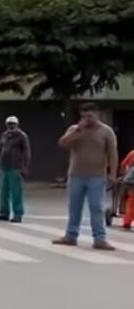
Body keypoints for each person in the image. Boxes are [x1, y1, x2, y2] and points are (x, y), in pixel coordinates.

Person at [53, 102, 119, 250]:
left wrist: (113, 173)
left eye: (90, 116)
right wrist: (77, 131)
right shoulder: (75, 129)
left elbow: (112, 153)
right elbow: (62, 143)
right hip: (76, 175)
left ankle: (99, 238)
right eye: (84, 116)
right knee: (74, 208)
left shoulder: (106, 131)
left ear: (97, 115)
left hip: (97, 176)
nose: (87, 119)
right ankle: (71, 236)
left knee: (96, 208)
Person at [0, 115, 30, 223]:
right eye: (9, 124)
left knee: (16, 192)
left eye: (13, 124)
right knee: (4, 191)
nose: (11, 126)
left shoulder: (22, 136)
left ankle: (18, 214)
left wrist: (24, 166)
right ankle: (4, 213)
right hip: (4, 167)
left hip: (16, 167)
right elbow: (0, 148)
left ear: (17, 124)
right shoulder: (4, 135)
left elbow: (26, 152)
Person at [119, 146, 134, 231]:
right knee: (131, 202)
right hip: (130, 184)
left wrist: (122, 175)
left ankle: (127, 221)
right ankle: (127, 221)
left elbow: (123, 164)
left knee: (130, 202)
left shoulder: (132, 153)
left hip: (128, 182)